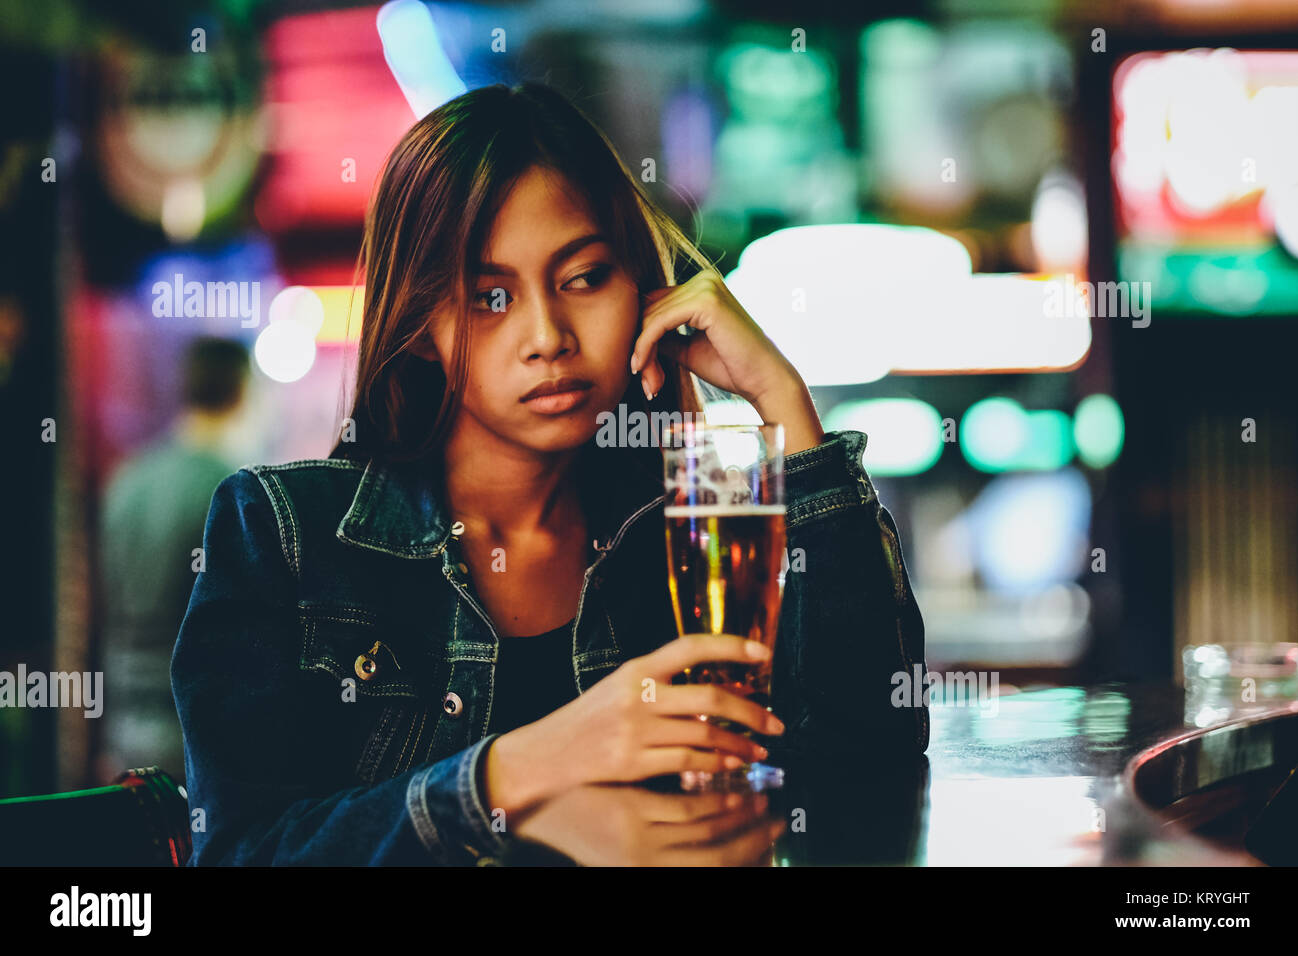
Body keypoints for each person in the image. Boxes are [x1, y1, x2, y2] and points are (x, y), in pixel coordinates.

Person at [171, 82, 928, 866]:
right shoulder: (285, 535)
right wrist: (513, 789)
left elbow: (866, 759)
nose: (547, 337)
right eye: (490, 296)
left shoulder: (680, 532)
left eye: (585, 278)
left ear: (644, 290)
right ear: (423, 324)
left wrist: (784, 404)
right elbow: (238, 851)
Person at [99, 336, 251, 785]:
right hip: (196, 732)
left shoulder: (126, 479)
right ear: (243, 391)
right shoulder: (233, 489)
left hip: (122, 723)